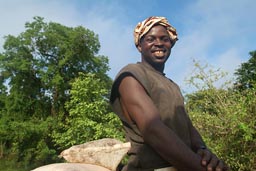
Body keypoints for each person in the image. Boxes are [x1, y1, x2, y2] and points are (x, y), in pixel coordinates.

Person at [110, 16, 229, 171]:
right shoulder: (131, 74)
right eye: (150, 39)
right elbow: (153, 130)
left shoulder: (173, 85)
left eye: (164, 39)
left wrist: (203, 150)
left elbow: (188, 126)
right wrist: (199, 168)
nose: (159, 43)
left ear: (171, 44)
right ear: (139, 45)